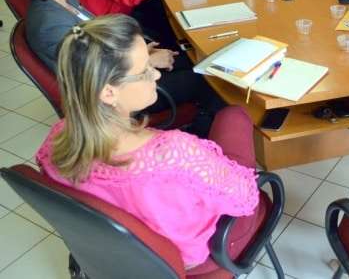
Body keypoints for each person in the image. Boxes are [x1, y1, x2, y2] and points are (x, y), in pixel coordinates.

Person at [36, 14, 260, 268]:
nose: (155, 75)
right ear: (108, 92)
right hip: (189, 259)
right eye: (144, 71)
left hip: (119, 256)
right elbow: (245, 198)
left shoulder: (56, 139)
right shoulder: (173, 153)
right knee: (235, 115)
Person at [19, 0, 223, 136]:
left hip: (124, 70)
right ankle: (205, 135)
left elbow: (98, 46)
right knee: (211, 81)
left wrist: (140, 53)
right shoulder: (50, 24)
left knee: (192, 58)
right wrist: (148, 62)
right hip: (115, 96)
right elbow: (92, 72)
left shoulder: (66, 0)